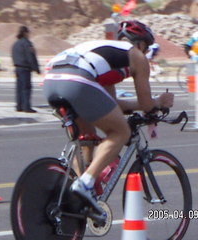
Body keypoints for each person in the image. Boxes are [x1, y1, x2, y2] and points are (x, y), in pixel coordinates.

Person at [43, 20, 174, 214]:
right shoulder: (136, 55)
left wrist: (143, 104)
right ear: (139, 44)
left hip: (52, 80)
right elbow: (147, 105)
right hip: (77, 81)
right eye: (146, 49)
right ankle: (85, 185)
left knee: (87, 139)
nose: (145, 54)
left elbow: (113, 105)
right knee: (121, 131)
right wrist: (159, 102)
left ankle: (76, 202)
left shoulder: (106, 55)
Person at [12, 26, 40, 113]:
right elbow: (31, 56)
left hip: (17, 68)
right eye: (28, 33)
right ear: (25, 33)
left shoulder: (15, 44)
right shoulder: (27, 43)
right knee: (26, 88)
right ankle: (26, 107)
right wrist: (36, 68)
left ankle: (19, 106)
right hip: (25, 68)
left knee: (19, 88)